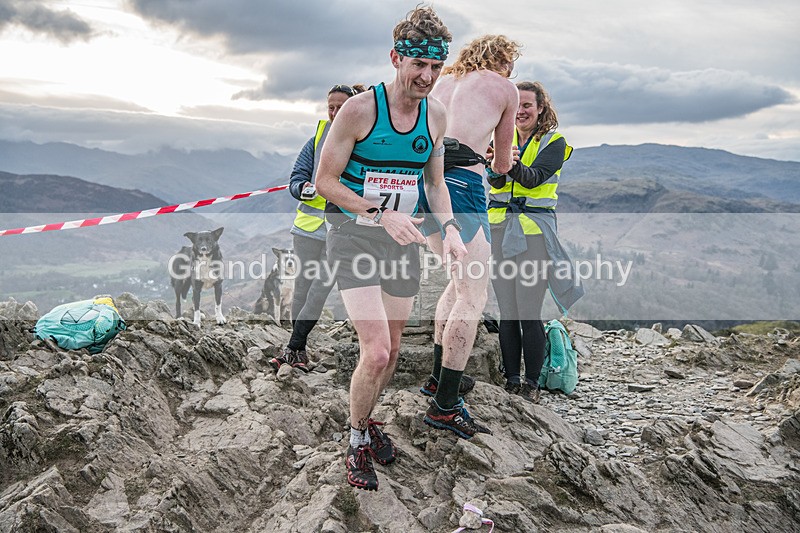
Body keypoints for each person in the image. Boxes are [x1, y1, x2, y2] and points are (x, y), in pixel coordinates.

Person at [315, 6, 467, 492]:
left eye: (436, 67)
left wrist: (453, 231)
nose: (426, 76)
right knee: (376, 352)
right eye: (418, 65)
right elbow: (324, 181)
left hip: (405, 239)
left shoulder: (436, 115)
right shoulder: (361, 110)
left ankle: (369, 418)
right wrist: (380, 213)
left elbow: (436, 185)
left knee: (396, 348)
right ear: (396, 57)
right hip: (356, 235)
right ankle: (355, 437)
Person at [416, 35, 519, 437]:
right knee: (474, 295)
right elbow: (505, 161)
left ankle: (438, 378)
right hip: (464, 189)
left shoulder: (440, 83)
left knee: (456, 286)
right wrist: (493, 161)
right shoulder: (503, 88)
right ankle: (445, 405)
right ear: (504, 60)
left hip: (426, 189)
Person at [487, 81, 584, 402]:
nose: (521, 112)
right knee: (507, 312)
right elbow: (496, 179)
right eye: (515, 106)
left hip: (533, 237)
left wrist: (505, 161)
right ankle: (511, 379)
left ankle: (532, 383)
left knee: (528, 311)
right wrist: (497, 163)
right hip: (499, 232)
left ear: (541, 108)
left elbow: (533, 178)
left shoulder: (554, 142)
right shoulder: (502, 138)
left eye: (527, 105)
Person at [269, 83, 366, 372]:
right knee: (302, 288)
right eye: (331, 107)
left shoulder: (363, 141)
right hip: (307, 229)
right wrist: (304, 188)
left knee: (320, 289)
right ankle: (297, 349)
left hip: (342, 230)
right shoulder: (317, 140)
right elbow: (296, 179)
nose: (335, 112)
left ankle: (294, 349)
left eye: (341, 107)